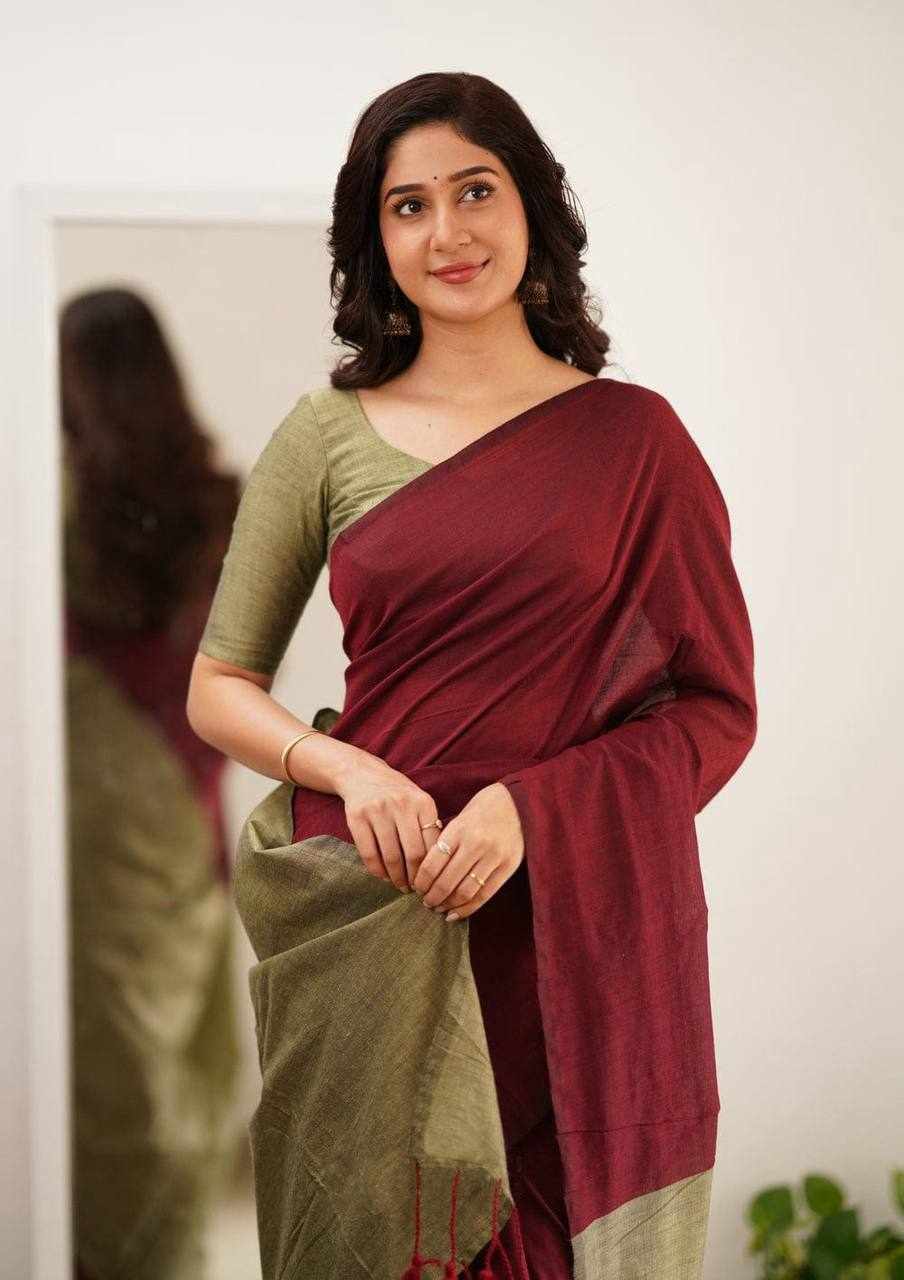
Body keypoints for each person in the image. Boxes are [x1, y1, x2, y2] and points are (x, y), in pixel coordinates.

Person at [187, 72, 757, 1280]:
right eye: (408, 205)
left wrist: (534, 809)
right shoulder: (325, 431)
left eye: (475, 191)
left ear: (532, 205)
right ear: (375, 238)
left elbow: (714, 707)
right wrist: (349, 769)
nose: (446, 232)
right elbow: (219, 682)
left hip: (567, 937)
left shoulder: (634, 443)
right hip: (373, 913)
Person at [61, 287, 243, 1279]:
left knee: (113, 1070)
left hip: (97, 821)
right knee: (184, 1067)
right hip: (190, 808)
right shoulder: (221, 502)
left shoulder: (58, 513)